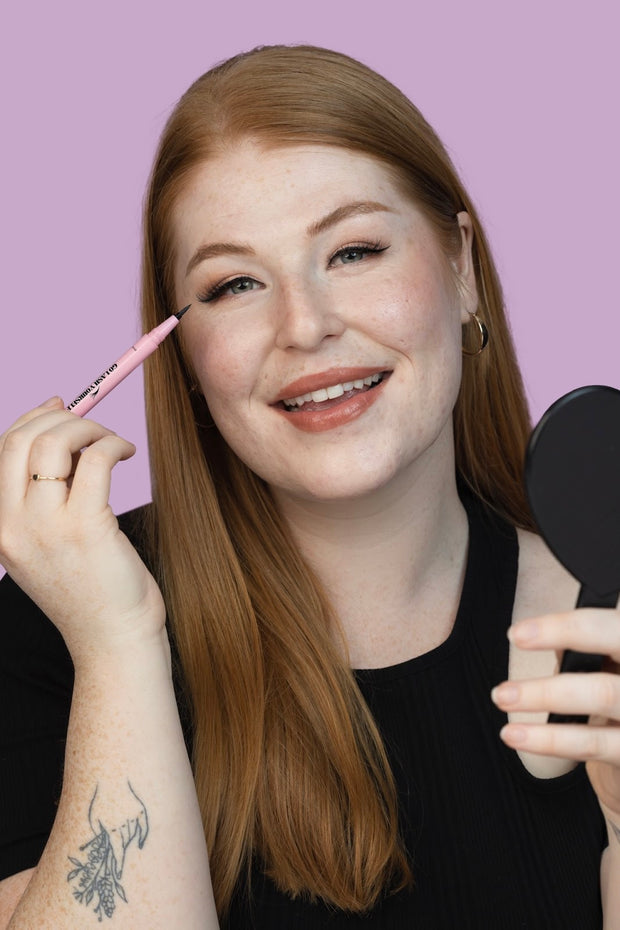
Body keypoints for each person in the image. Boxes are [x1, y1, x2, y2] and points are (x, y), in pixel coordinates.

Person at [0, 44, 618, 928]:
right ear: (180, 353)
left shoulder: (610, 629)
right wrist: (119, 647)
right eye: (234, 284)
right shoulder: (48, 642)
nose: (306, 326)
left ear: (462, 269)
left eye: (355, 250)